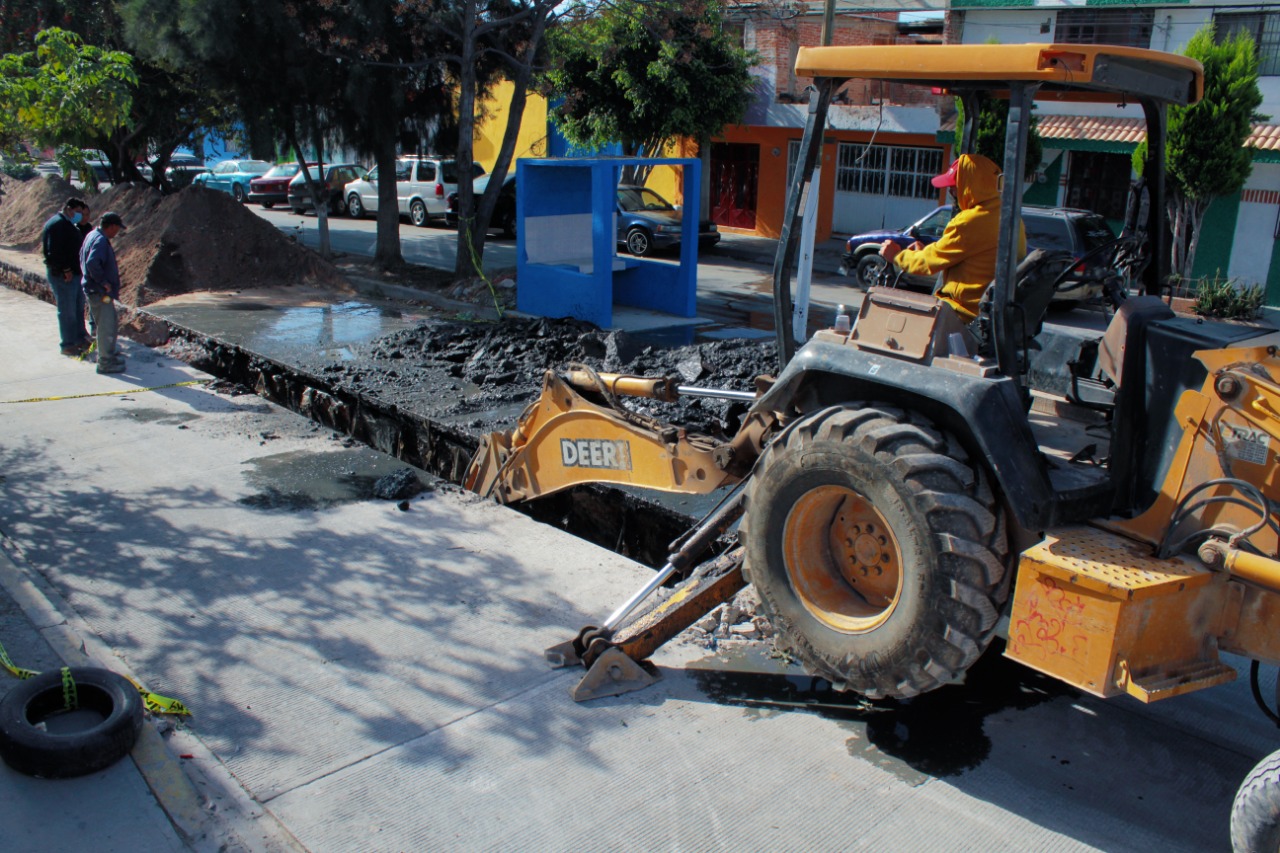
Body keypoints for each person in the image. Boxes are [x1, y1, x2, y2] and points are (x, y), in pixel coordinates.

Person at [880, 153, 1025, 322]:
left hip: (963, 313)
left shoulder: (969, 221)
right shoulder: (1010, 216)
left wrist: (896, 255)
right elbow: (963, 255)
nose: (951, 191)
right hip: (989, 311)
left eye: (955, 186)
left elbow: (927, 264)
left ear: (971, 185)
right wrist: (925, 252)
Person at [40, 197, 93, 355]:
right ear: (69, 209)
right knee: (67, 311)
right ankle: (68, 344)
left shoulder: (67, 223)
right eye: (78, 212)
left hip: (75, 274)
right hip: (63, 276)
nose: (80, 216)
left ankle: (79, 338)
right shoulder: (58, 224)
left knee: (77, 308)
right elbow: (54, 252)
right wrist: (66, 269)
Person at [79, 211, 128, 375]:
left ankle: (109, 355)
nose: (117, 232)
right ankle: (105, 362)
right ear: (112, 226)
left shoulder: (92, 235)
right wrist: (103, 282)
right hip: (99, 292)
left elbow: (83, 258)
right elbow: (92, 262)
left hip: (94, 290)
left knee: (109, 322)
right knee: (106, 326)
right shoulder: (100, 241)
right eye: (117, 228)